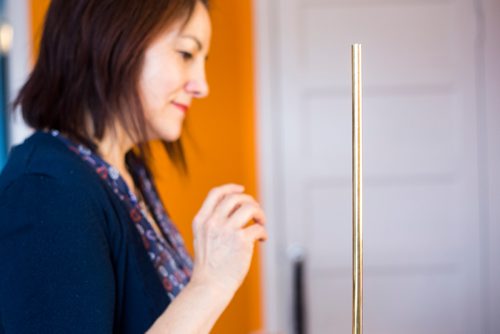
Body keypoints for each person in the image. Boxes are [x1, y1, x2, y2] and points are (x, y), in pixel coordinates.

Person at [0, 0, 268, 333]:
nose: (202, 86)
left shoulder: (124, 172)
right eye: (186, 54)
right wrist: (209, 284)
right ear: (109, 41)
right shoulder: (45, 190)